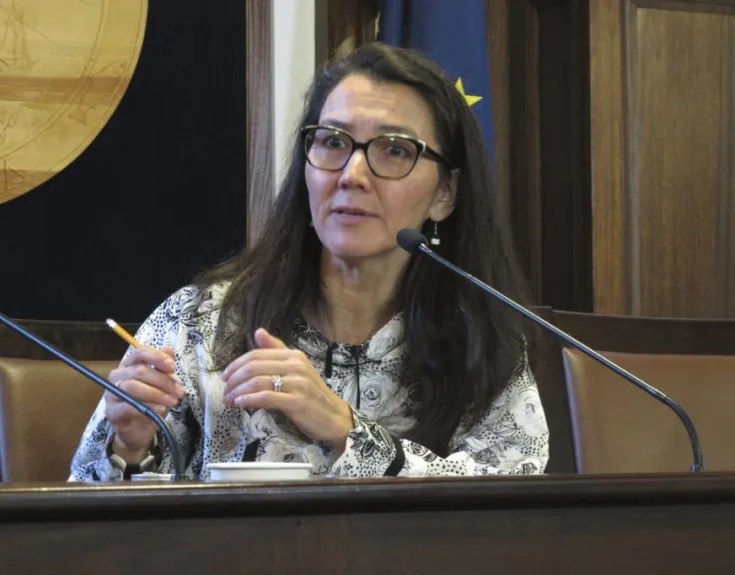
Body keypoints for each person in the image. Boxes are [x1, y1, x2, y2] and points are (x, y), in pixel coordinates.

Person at [69, 43, 549, 482]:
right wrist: (130, 447)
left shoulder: (482, 341)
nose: (352, 174)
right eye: (333, 142)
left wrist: (346, 430)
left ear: (445, 194)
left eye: (395, 150)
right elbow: (87, 526)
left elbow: (512, 510)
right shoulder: (199, 322)